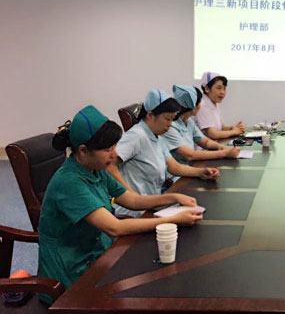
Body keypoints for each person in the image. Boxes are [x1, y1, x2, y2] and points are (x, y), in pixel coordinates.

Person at [37, 105, 202, 300]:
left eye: (115, 147)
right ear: (83, 150)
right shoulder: (69, 182)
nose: (114, 154)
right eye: (108, 149)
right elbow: (114, 227)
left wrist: (174, 197)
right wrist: (173, 219)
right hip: (71, 271)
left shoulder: (95, 168)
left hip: (97, 252)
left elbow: (132, 199)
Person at [107, 89, 219, 217]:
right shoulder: (137, 135)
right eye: (167, 119)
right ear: (150, 115)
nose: (170, 124)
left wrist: (201, 172)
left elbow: (173, 166)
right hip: (133, 212)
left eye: (172, 119)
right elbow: (109, 164)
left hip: (151, 205)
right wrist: (128, 194)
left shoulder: (157, 136)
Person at [163, 84, 241, 167]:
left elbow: (205, 142)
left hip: (190, 168)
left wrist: (222, 147)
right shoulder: (171, 127)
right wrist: (224, 153)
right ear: (194, 106)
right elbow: (189, 155)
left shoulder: (189, 122)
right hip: (178, 173)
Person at [194, 72, 245, 141]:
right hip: (203, 147)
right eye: (219, 88)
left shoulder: (214, 103)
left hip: (214, 144)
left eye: (224, 88)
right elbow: (213, 134)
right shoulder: (202, 105)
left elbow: (221, 127)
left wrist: (233, 127)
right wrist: (234, 131)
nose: (223, 92)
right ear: (207, 89)